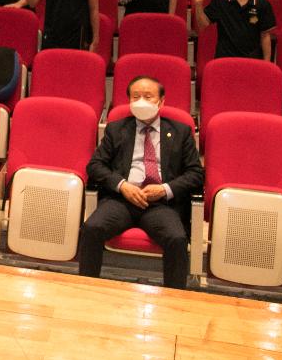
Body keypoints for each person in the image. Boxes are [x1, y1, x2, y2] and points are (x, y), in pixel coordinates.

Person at [80, 77, 205, 289]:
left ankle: (175, 299)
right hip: (122, 200)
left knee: (176, 239)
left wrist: (165, 189)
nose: (141, 102)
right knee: (92, 228)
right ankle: (85, 288)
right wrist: (122, 185)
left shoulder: (181, 132)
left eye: (148, 97)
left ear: (161, 101)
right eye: (135, 97)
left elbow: (195, 173)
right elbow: (95, 166)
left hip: (160, 204)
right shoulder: (116, 129)